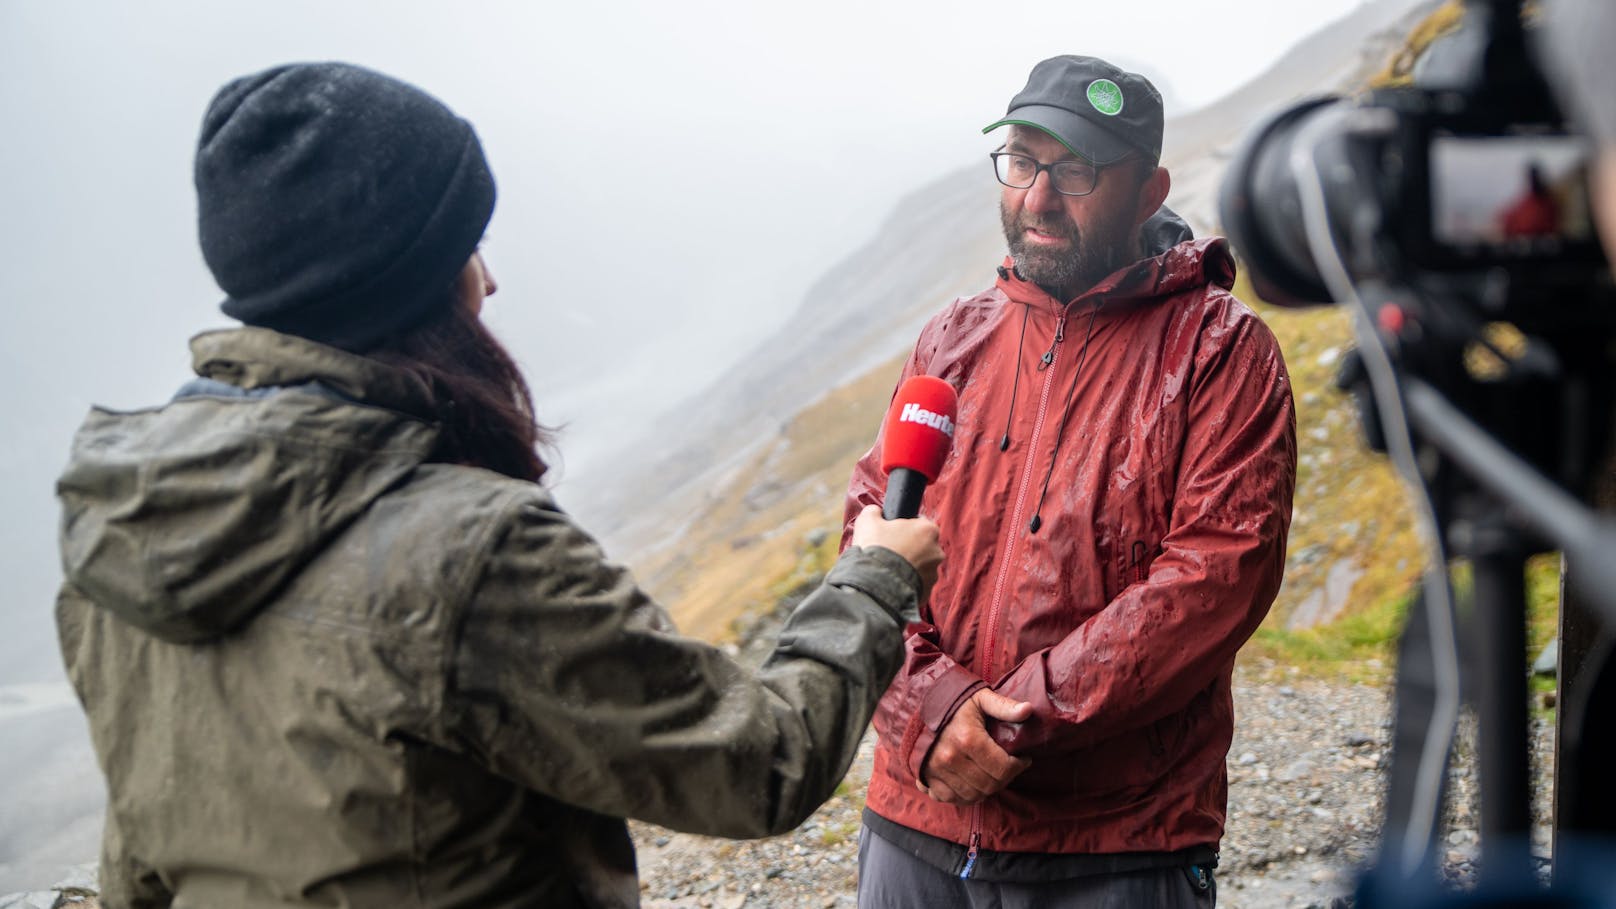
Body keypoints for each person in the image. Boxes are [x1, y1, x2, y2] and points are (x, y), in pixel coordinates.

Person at [54, 62, 943, 909]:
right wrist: (872, 580)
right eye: (466, 248)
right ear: (406, 282)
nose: (490, 279)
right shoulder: (470, 550)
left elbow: (139, 860)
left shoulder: (127, 526)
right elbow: (760, 765)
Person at [841, 55, 1297, 907]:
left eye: (1076, 170)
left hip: (1115, 847)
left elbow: (1215, 575)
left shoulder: (1221, 351)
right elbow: (871, 529)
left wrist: (1010, 720)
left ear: (1150, 188)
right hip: (914, 823)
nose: (1039, 197)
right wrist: (926, 707)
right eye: (1021, 161)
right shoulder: (953, 338)